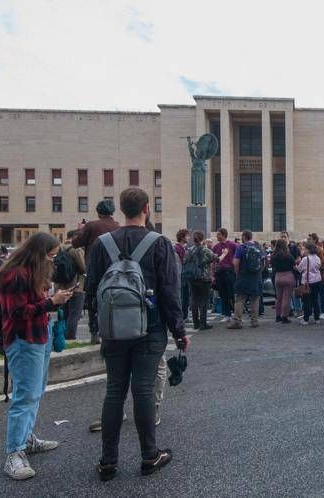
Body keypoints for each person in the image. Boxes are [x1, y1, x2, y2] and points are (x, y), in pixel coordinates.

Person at [86, 188, 187, 480]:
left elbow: (92, 289)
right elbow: (170, 292)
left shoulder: (103, 244)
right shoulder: (159, 244)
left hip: (113, 329)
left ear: (120, 209)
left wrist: (99, 325)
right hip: (150, 327)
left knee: (114, 390)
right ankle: (149, 456)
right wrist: (179, 331)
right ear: (146, 208)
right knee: (143, 389)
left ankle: (108, 461)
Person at [0, 232, 73, 480]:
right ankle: (14, 453)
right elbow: (17, 311)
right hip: (23, 339)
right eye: (50, 255)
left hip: (39, 335)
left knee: (36, 390)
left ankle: (26, 439)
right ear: (38, 253)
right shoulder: (16, 274)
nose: (52, 260)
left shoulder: (30, 272)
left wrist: (52, 300)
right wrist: (52, 302)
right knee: (25, 395)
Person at [72, 199, 120, 345]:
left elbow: (75, 243)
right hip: (114, 269)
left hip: (94, 269)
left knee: (93, 300)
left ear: (98, 212)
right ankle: (114, 329)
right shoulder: (117, 226)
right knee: (113, 299)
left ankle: (95, 332)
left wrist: (80, 229)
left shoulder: (91, 226)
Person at [185, 230, 222, 330]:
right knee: (204, 301)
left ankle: (195, 323)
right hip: (203, 278)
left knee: (194, 300)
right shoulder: (205, 250)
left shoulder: (189, 249)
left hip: (192, 277)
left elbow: (185, 261)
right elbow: (216, 259)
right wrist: (225, 254)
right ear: (203, 239)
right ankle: (203, 324)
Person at [54, 231, 87, 340]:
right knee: (74, 314)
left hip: (59, 288)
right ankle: (70, 337)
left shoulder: (57, 249)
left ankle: (61, 335)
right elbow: (83, 268)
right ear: (75, 237)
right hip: (75, 287)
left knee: (63, 313)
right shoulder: (76, 249)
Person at [228, 230, 263, 329]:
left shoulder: (241, 247)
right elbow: (263, 262)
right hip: (256, 277)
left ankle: (237, 321)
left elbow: (235, 263)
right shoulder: (258, 247)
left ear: (243, 237)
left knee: (240, 299)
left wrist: (237, 273)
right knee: (255, 299)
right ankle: (254, 321)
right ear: (251, 237)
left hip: (243, 276)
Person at [213, 228, 237, 322]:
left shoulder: (233, 245)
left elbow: (237, 258)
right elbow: (214, 262)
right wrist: (213, 274)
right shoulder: (216, 247)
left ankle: (235, 314)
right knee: (223, 294)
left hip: (230, 271)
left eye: (218, 234)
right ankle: (226, 314)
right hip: (219, 272)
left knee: (231, 294)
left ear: (223, 235)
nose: (217, 236)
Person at [297, 243, 323, 325]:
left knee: (307, 301)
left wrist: (296, 266)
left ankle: (306, 318)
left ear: (308, 250)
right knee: (315, 300)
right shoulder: (318, 258)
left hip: (307, 282)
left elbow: (300, 269)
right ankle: (317, 318)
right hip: (317, 280)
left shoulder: (305, 259)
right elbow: (319, 267)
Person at [271, 239, 296, 324]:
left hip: (278, 276)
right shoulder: (288, 255)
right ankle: (284, 316)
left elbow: (272, 264)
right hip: (288, 276)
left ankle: (277, 316)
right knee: (286, 297)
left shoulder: (274, 255)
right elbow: (293, 263)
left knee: (278, 298)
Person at [308, 234, 324, 320]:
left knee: (323, 294)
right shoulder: (315, 250)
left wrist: (314, 267)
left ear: (314, 240)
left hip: (322, 276)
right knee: (317, 295)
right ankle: (318, 311)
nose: (308, 241)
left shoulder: (319, 250)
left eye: (310, 239)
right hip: (317, 276)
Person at [175, 229, 191, 321]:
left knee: (185, 296)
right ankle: (181, 316)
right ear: (182, 237)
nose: (189, 238)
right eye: (187, 236)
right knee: (181, 297)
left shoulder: (184, 248)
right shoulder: (177, 248)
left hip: (184, 275)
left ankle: (185, 316)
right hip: (180, 275)